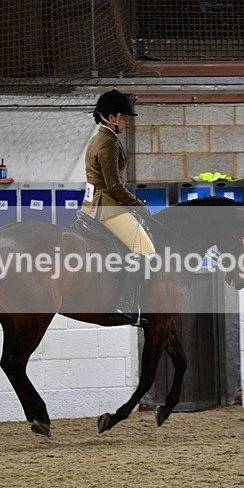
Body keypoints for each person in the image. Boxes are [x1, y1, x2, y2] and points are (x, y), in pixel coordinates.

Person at [80, 89, 153, 325]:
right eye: (124, 118)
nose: (127, 123)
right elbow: (114, 186)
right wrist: (138, 204)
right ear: (111, 117)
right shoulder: (107, 143)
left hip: (92, 205)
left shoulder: (97, 139)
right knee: (145, 250)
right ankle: (122, 304)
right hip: (107, 207)